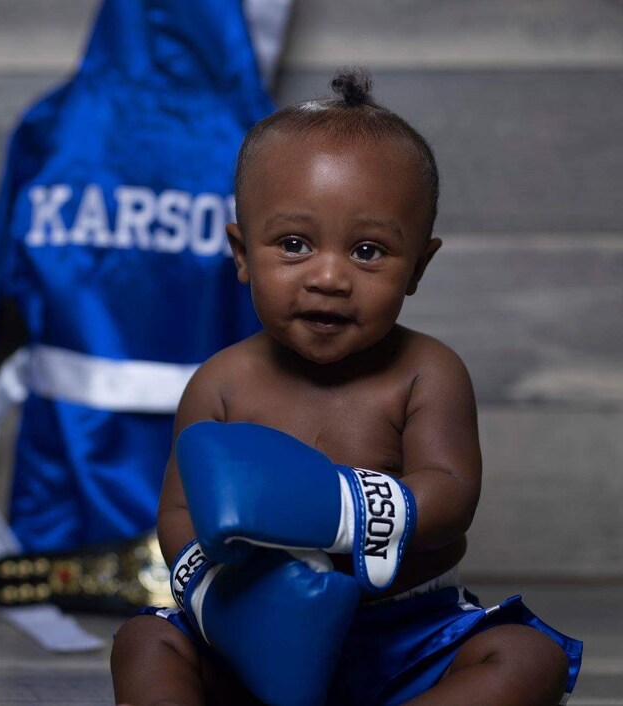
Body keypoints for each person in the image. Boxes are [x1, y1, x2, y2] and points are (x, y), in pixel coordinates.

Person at [109, 67, 582, 706]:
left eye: (367, 252)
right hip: (254, 630)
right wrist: (227, 591)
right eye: (295, 244)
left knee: (529, 657)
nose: (329, 277)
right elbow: (179, 513)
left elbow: (450, 495)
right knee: (145, 644)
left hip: (404, 633)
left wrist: (340, 512)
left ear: (418, 266)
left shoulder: (427, 372)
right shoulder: (221, 384)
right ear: (243, 254)